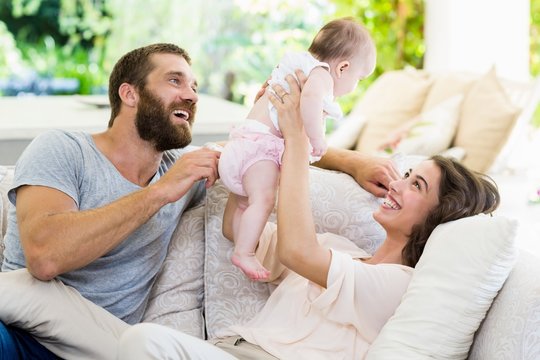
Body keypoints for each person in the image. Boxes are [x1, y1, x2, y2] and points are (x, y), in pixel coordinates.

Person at [0, 44, 398, 359]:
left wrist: (353, 160)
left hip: (106, 346)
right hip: (18, 337)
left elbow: (260, 146)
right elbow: (45, 256)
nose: (190, 95)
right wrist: (160, 192)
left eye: (193, 86)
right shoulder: (63, 149)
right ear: (129, 94)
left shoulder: (188, 170)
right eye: (175, 81)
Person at [115, 70, 501, 360]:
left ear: (439, 217)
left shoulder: (399, 285)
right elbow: (236, 228)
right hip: (228, 348)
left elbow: (297, 253)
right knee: (107, 329)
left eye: (417, 186)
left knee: (143, 342)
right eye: (406, 176)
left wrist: (297, 139)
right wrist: (255, 144)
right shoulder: (338, 250)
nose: (398, 185)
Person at [218, 17, 377, 280]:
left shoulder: (292, 63)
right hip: (260, 152)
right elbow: (311, 102)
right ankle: (244, 252)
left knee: (247, 204)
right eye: (359, 78)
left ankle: (239, 241)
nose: (355, 85)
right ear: (343, 67)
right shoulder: (321, 75)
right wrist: (317, 140)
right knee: (264, 200)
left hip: (242, 142)